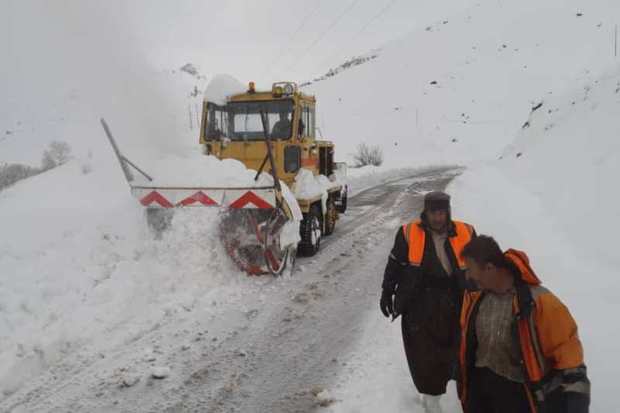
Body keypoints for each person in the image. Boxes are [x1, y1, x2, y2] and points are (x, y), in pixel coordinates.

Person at [458, 235, 590, 413]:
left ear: (489, 268)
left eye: (470, 269)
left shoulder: (540, 303)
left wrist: (574, 403)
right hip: (480, 394)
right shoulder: (475, 298)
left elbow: (569, 359)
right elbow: (468, 342)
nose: (468, 275)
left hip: (519, 398)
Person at [380, 191, 476, 413]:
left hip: (455, 300)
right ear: (426, 211)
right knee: (424, 355)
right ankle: (432, 402)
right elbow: (394, 264)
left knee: (459, 350)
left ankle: (459, 395)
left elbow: (480, 264)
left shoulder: (466, 232)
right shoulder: (408, 233)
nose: (438, 218)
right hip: (419, 303)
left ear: (448, 212)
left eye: (442, 212)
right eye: (433, 212)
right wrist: (387, 291)